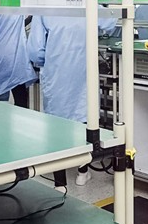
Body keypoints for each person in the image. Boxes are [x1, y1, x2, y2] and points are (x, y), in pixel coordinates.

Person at [28, 15, 100, 186]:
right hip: (83, 73)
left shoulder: (44, 10)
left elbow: (35, 51)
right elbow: (110, 23)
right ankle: (82, 172)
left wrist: (53, 59)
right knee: (84, 121)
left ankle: (60, 182)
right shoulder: (86, 3)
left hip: (57, 75)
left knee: (55, 128)